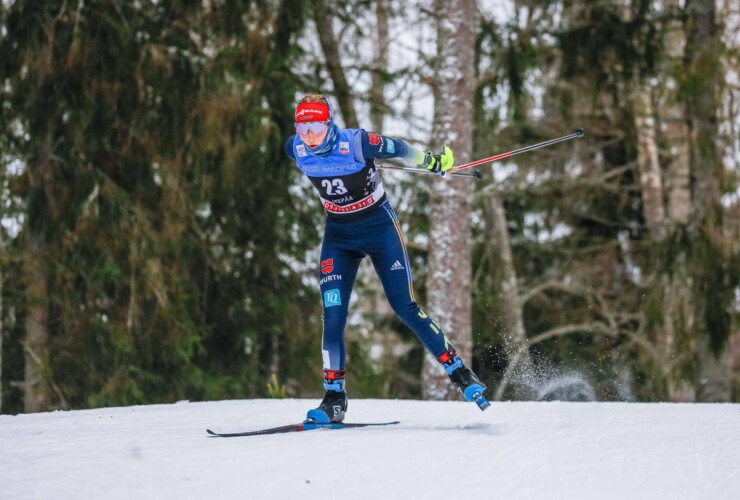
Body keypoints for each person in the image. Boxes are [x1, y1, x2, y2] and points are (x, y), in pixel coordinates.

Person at [285, 94, 487, 423]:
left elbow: (400, 149)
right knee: (332, 315)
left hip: (379, 228)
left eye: (316, 127)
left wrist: (433, 162)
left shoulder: (359, 143)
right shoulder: (294, 148)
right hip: (339, 236)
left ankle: (460, 373)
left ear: (329, 124)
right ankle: (334, 398)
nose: (309, 136)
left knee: (403, 304)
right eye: (302, 127)